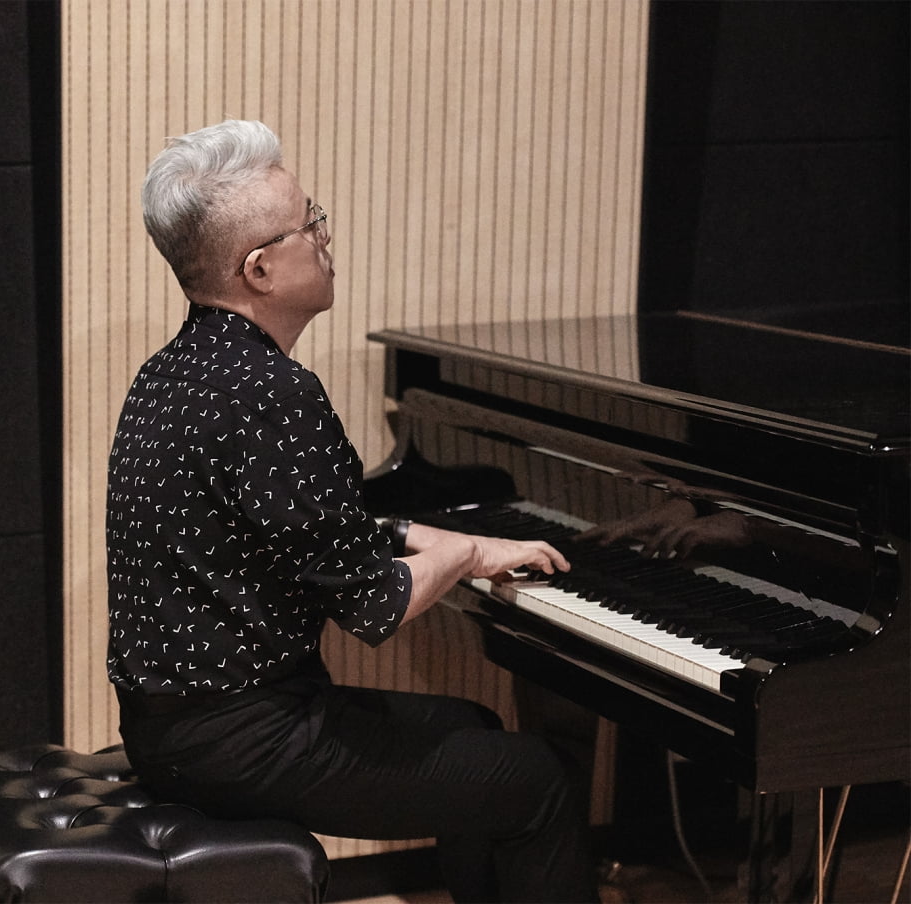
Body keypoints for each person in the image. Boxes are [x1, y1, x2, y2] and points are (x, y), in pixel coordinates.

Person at [105, 119, 596, 903]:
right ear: (260, 268)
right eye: (311, 223)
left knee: (472, 726)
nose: (326, 237)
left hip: (172, 729)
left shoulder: (175, 372)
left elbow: (301, 531)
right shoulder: (274, 392)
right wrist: (469, 553)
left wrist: (428, 533)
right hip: (248, 742)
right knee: (537, 781)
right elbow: (373, 605)